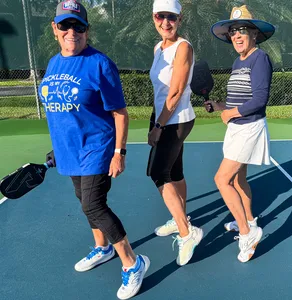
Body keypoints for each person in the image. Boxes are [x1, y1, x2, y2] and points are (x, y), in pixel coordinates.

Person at [38, 1, 149, 299]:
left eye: (78, 26)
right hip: (69, 151)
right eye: (65, 25)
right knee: (83, 200)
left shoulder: (100, 63)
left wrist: (119, 152)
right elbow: (61, 112)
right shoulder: (53, 63)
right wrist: (57, 147)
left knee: (93, 206)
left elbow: (120, 113)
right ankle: (102, 248)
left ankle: (133, 262)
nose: (71, 31)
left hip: (97, 148)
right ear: (55, 29)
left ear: (88, 30)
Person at [207, 5, 275, 263]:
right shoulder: (238, 61)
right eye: (233, 31)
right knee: (237, 181)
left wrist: (232, 113)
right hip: (237, 127)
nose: (237, 35)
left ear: (254, 34)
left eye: (243, 30)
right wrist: (220, 106)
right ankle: (246, 219)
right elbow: (236, 99)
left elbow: (259, 99)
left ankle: (248, 234)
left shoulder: (260, 59)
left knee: (222, 180)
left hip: (249, 128)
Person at [147, 0, 203, 266]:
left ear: (179, 20)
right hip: (161, 117)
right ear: (154, 17)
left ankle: (186, 232)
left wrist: (159, 126)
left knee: (158, 174)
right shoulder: (159, 47)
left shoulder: (184, 47)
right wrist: (156, 120)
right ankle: (181, 216)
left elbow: (177, 91)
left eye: (172, 17)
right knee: (175, 172)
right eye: (161, 16)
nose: (166, 23)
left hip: (176, 120)